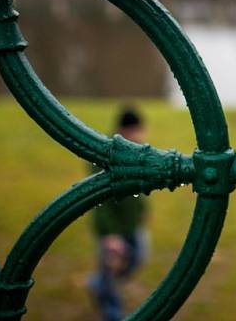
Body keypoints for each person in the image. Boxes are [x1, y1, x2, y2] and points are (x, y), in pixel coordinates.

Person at [88, 108, 149, 321]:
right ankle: (112, 314)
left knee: (138, 257)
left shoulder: (139, 150)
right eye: (137, 130)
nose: (140, 134)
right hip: (111, 227)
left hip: (132, 224)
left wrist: (143, 212)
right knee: (110, 270)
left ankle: (98, 285)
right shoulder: (104, 154)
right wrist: (110, 234)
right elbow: (99, 199)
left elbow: (139, 191)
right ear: (125, 129)